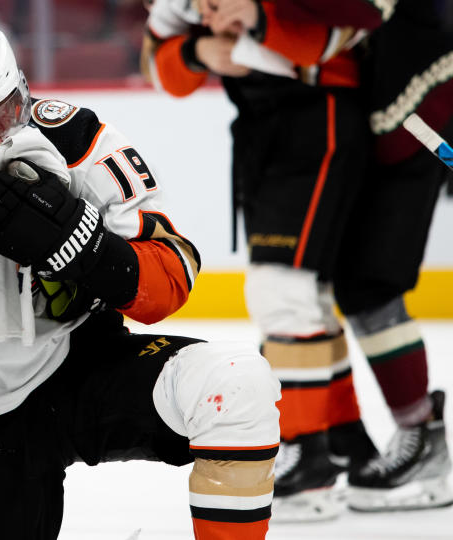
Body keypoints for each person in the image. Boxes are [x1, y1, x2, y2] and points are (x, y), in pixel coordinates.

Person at [0, 11, 282, 539]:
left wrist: (81, 247)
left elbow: (174, 274)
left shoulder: (78, 139)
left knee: (237, 385)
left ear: (23, 90)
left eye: (0, 115)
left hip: (91, 368)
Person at [141, 0, 381, 521]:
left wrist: (254, 23)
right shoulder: (183, 12)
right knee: (304, 296)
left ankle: (306, 454)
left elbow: (332, 43)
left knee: (284, 294)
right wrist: (201, 48)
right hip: (272, 133)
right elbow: (161, 68)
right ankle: (341, 440)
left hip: (320, 122)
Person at [256, 0, 453, 513]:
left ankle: (424, 444)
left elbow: (365, 8)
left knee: (371, 285)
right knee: (355, 284)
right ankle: (391, 438)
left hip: (420, 117)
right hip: (392, 121)